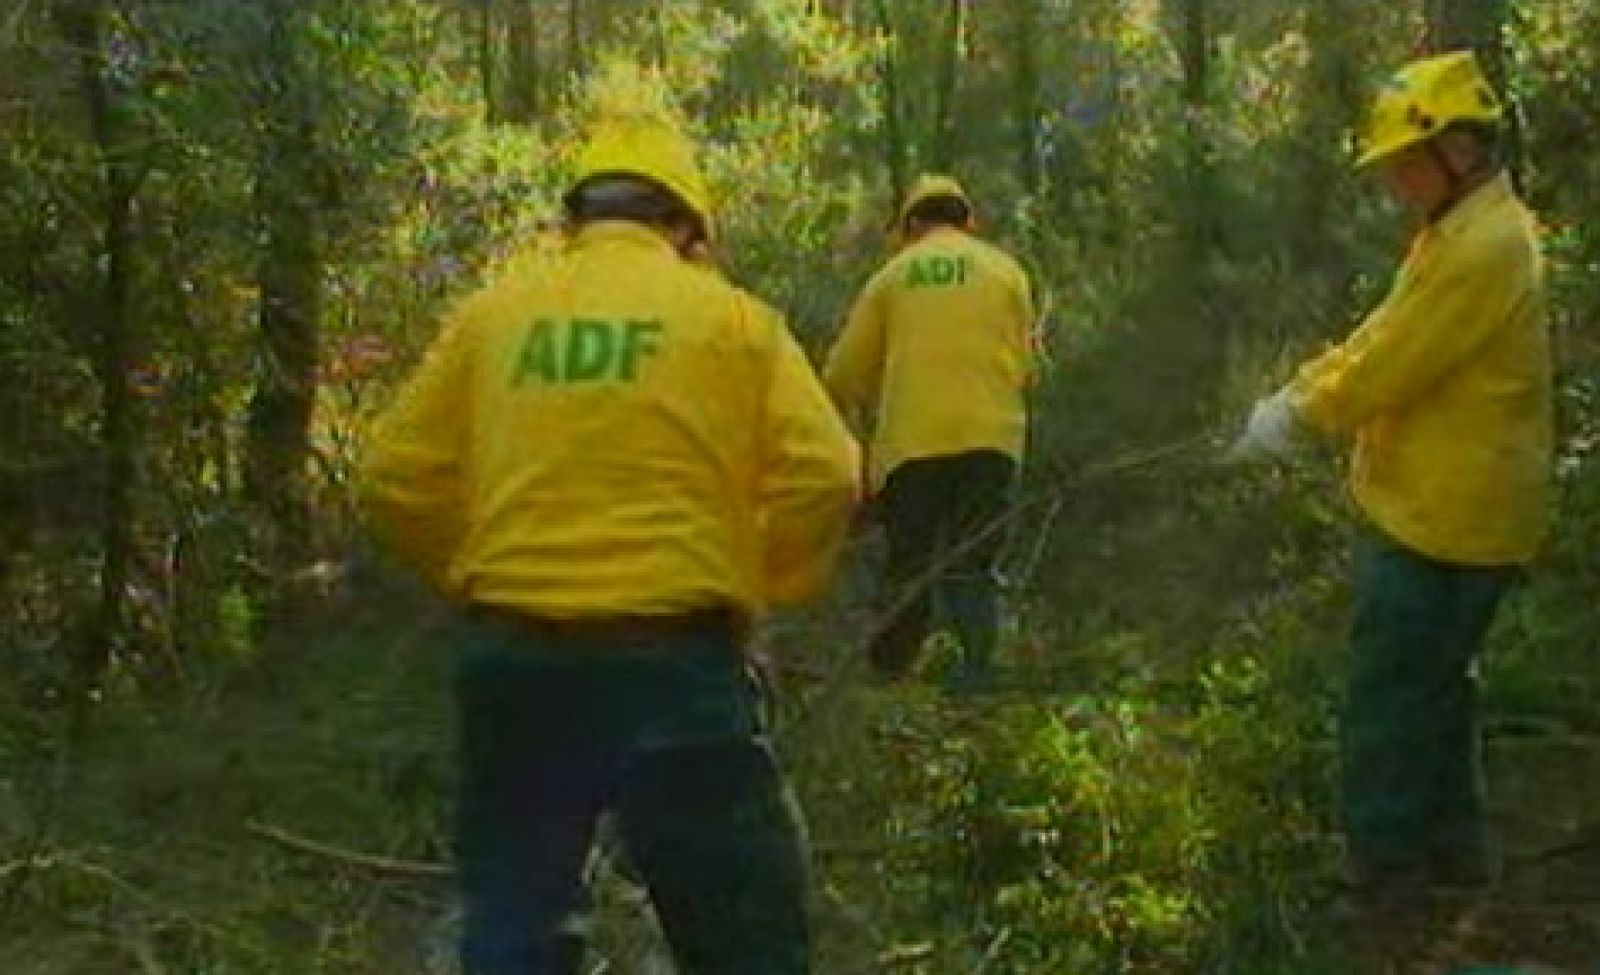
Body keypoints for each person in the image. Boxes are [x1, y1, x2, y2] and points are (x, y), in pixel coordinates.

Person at [360, 106, 859, 974]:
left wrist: (481, 575)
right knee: (746, 939)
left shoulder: (495, 316)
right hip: (675, 664)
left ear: (577, 219)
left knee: (515, 929)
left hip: (514, 661)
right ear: (685, 227)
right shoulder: (734, 321)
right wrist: (756, 587)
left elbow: (389, 481)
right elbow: (829, 475)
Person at [1232, 50, 1551, 916]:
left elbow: (1397, 364)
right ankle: (1456, 849)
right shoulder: (1459, 234)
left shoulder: (1486, 246)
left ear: (1457, 148)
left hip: (1447, 512)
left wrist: (1301, 417)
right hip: (1452, 503)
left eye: (1405, 162)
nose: (1395, 182)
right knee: (1440, 681)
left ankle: (1385, 865)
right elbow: (1383, 332)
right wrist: (1300, 389)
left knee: (1390, 687)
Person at [824, 175, 1036, 694]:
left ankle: (891, 682)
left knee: (910, 568)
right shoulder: (1007, 273)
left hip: (912, 448)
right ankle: (981, 680)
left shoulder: (892, 277)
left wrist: (853, 434)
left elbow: (841, 375)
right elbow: (1027, 367)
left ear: (911, 224)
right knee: (975, 561)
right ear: (967, 220)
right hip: (992, 440)